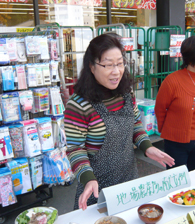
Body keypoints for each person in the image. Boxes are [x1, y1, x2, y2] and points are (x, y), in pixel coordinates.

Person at [64, 33, 174, 210]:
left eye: (120, 63)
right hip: (97, 190)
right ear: (92, 67)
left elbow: (135, 124)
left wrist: (147, 146)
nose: (116, 71)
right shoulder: (78, 105)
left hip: (128, 182)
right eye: (108, 65)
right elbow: (75, 149)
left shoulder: (126, 93)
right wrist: (87, 178)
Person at [154, 35, 195, 172]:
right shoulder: (172, 81)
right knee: (176, 181)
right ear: (190, 56)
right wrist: (168, 131)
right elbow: (160, 108)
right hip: (175, 142)